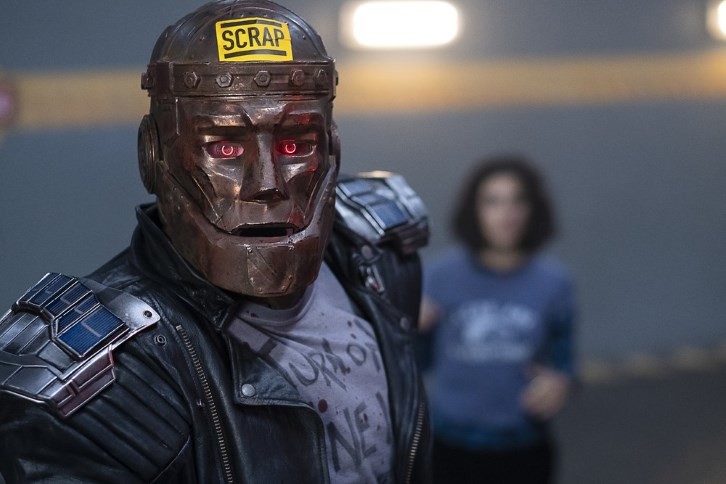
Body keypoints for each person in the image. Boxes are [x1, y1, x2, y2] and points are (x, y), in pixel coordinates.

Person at [0, 2, 432, 482]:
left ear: (333, 147)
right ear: (153, 155)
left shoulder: (377, 252)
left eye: (294, 145)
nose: (266, 184)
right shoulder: (103, 373)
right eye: (225, 147)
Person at [419, 155, 576, 484]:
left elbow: (565, 363)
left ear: (533, 210)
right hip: (451, 444)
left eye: (517, 201)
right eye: (493, 202)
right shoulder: (440, 276)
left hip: (524, 445)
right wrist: (410, 329)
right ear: (474, 210)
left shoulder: (554, 282)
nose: (507, 215)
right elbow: (420, 363)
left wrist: (560, 384)